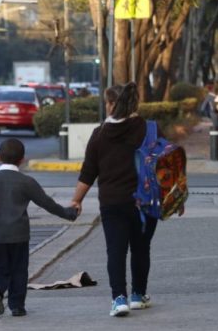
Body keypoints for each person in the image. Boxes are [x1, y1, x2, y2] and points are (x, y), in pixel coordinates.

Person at [70, 82, 161, 317]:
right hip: (144, 202)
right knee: (141, 249)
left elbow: (88, 172)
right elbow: (165, 163)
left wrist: (76, 200)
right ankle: (138, 295)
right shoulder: (148, 129)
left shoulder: (99, 134)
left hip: (112, 202)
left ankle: (119, 298)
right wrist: (176, 199)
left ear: (111, 104)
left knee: (116, 251)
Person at [0, 138, 78, 317]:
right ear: (22, 159)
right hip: (19, 235)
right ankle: (17, 306)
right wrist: (68, 213)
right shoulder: (26, 182)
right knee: (19, 270)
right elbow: (47, 203)